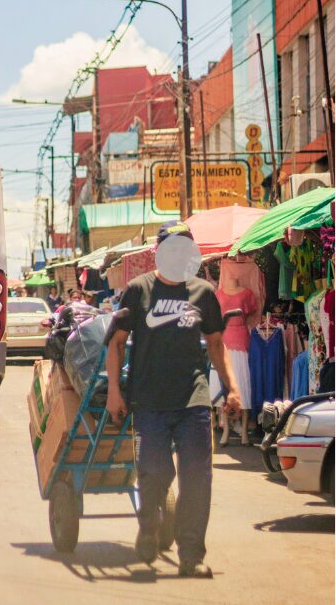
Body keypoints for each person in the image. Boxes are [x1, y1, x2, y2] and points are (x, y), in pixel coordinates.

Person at [105, 221, 242, 575]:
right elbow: (117, 343)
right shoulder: (138, 290)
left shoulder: (203, 292)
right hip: (148, 400)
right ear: (159, 251)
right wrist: (115, 394)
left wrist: (232, 387)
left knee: (197, 478)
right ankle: (149, 526)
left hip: (193, 398)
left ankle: (191, 556)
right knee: (155, 473)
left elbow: (215, 344)